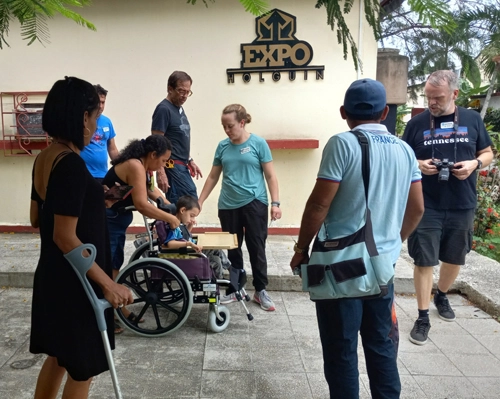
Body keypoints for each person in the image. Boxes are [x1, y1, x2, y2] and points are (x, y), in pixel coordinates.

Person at [290, 78, 424, 399]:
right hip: (383, 271)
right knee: (381, 347)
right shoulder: (405, 150)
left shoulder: (342, 144)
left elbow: (320, 203)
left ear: (343, 112)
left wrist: (300, 247)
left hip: (343, 270)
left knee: (341, 350)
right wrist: (392, 243)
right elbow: (417, 208)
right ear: (384, 112)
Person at [29, 77, 133, 399]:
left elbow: (38, 218)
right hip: (78, 284)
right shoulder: (72, 165)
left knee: (60, 359)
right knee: (84, 369)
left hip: (53, 276)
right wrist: (109, 284)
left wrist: (92, 201)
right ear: (81, 118)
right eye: (94, 115)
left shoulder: (46, 157)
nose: (96, 125)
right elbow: (64, 236)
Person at [402, 70, 494, 345]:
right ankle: (422, 316)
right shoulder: (417, 123)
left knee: (455, 258)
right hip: (425, 203)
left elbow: (488, 153)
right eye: (428, 96)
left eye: (438, 97)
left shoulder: (472, 119)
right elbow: (403, 155)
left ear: (454, 94)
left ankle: (441, 294)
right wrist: (418, 165)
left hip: (461, 202)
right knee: (424, 259)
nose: (432, 102)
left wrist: (474, 164)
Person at [198, 104, 282, 311]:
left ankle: (260, 291)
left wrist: (275, 203)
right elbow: (213, 176)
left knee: (256, 247)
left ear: (242, 122)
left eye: (230, 126)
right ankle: (236, 290)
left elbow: (270, 176)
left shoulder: (258, 144)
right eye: (224, 126)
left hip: (255, 203)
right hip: (228, 205)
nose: (227, 130)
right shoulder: (222, 146)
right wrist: (199, 201)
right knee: (233, 250)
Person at [102, 135, 180, 328]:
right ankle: (108, 313)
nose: (163, 165)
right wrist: (170, 218)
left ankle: (115, 309)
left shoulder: (143, 167)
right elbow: (142, 204)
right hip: (108, 220)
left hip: (116, 221)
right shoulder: (135, 166)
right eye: (162, 160)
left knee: (114, 264)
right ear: (153, 154)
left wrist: (170, 206)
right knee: (108, 266)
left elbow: (150, 191)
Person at [151, 71, 202, 203]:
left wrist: (189, 159)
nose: (184, 96)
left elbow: (177, 139)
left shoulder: (179, 109)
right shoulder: (163, 109)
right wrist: (160, 172)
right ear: (170, 89)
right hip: (171, 166)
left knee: (189, 205)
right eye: (181, 91)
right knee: (186, 204)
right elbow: (156, 142)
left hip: (182, 165)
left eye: (188, 92)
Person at [80, 84, 119, 183]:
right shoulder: (81, 120)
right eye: (98, 102)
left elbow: (112, 148)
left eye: (103, 102)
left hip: (103, 175)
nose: (101, 106)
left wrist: (121, 167)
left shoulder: (107, 121)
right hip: (84, 174)